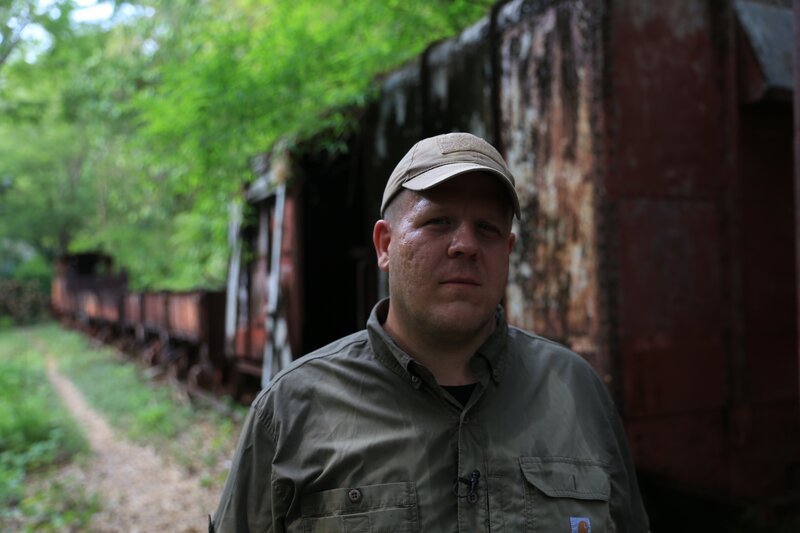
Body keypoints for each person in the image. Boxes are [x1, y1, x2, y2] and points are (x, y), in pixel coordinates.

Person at [211, 132, 650, 532]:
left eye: (487, 228)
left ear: (508, 251)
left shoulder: (576, 394)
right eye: (438, 221)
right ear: (385, 245)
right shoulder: (291, 410)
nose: (466, 245)